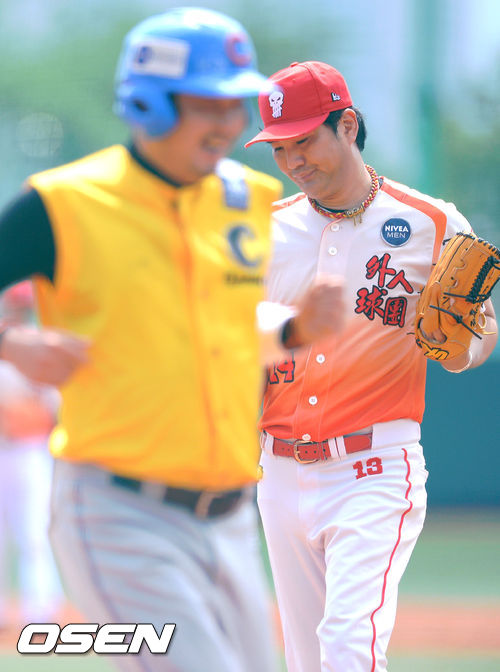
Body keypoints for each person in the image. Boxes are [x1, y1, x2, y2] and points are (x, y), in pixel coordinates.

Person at [0, 11, 345, 671]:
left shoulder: (245, 198)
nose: (228, 123)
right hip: (119, 512)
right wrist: (10, 343)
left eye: (235, 104)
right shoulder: (64, 202)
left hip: (230, 517)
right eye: (206, 104)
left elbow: (215, 325)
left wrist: (293, 329)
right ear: (147, 104)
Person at [245, 60, 498, 672]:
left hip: (374, 467)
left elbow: (479, 336)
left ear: (348, 125)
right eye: (279, 148)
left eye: (304, 140)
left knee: (348, 645)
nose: (292, 160)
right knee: (307, 660)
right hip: (278, 471)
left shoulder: (433, 223)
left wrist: (461, 346)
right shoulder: (264, 231)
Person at [0, 282, 64, 629]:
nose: (17, 310)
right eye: (13, 303)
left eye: (22, 305)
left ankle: (39, 611)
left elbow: (48, 414)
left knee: (33, 533)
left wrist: (15, 417)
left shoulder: (41, 348)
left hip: (28, 453)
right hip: (5, 450)